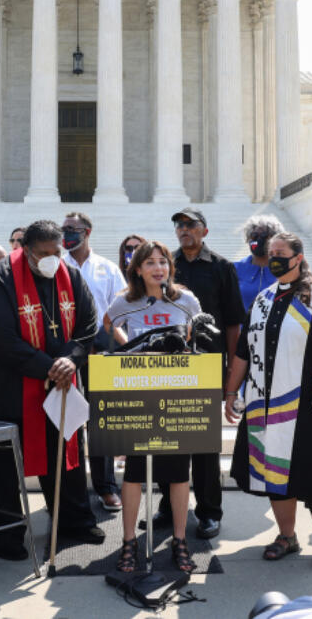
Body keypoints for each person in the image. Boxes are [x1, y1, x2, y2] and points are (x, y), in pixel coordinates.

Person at [0, 219, 103, 559]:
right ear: (26, 251)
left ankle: (73, 520)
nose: (51, 259)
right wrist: (48, 366)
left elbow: (88, 324)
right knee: (7, 464)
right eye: (43, 253)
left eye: (56, 252)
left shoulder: (69, 275)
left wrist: (71, 360)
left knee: (67, 455)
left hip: (62, 384)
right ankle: (6, 535)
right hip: (11, 388)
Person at [226, 233, 312, 571]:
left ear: (298, 257)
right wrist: (231, 392)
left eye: (281, 253)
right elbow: (242, 353)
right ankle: (287, 536)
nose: (275, 258)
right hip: (264, 404)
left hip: (309, 405)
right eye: (271, 253)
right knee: (275, 474)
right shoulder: (262, 299)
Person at [105, 241, 202, 574]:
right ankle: (129, 541)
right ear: (138, 269)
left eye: (163, 262)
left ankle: (179, 540)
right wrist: (129, 346)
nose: (158, 268)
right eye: (150, 263)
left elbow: (197, 339)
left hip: (177, 395)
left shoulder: (186, 300)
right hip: (137, 395)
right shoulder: (125, 301)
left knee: (178, 473)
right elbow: (109, 323)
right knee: (134, 472)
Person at [155, 207, 244, 539]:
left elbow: (233, 322)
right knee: (166, 439)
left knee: (205, 445)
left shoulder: (222, 268)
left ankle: (209, 511)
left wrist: (233, 368)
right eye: (178, 225)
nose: (183, 230)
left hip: (207, 364)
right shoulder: (165, 265)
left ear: (204, 231)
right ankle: (168, 506)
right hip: (168, 367)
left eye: (190, 225)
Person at [63, 211, 126, 514]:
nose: (67, 234)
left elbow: (118, 314)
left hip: (101, 353)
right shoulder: (56, 266)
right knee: (69, 421)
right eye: (64, 229)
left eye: (72, 229)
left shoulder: (108, 269)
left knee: (102, 423)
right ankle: (70, 490)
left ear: (87, 231)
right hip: (66, 355)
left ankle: (106, 487)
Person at [233, 215, 284, 311]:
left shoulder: (284, 269)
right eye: (254, 236)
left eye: (264, 236)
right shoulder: (234, 269)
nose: (258, 240)